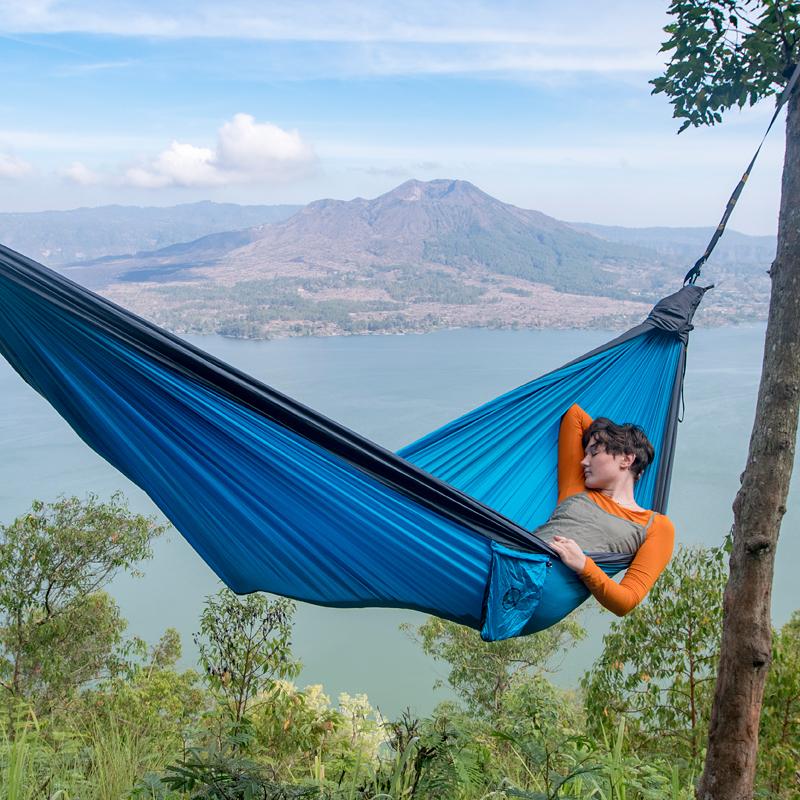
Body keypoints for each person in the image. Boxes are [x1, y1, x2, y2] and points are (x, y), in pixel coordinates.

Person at [541, 403, 675, 616]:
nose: (583, 461)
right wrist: (606, 435)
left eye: (593, 452)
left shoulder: (656, 526)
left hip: (535, 588)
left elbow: (626, 601)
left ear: (627, 459)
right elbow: (574, 414)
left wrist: (584, 565)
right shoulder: (576, 487)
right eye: (585, 453)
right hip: (509, 558)